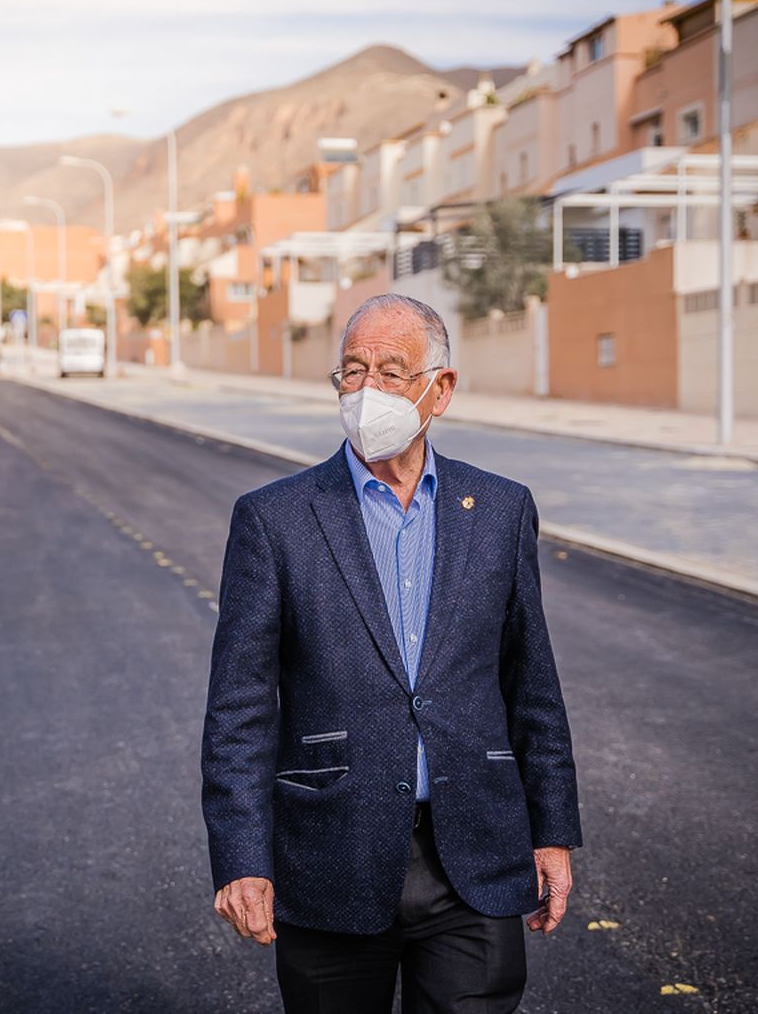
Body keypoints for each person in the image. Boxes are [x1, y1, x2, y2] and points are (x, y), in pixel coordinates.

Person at [201, 294, 582, 1014]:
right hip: (329, 858)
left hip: (472, 853)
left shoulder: (500, 510)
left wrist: (553, 829)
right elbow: (240, 708)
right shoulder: (274, 518)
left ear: (440, 389)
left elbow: (530, 682)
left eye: (390, 370)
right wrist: (242, 855)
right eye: (352, 370)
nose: (366, 389)